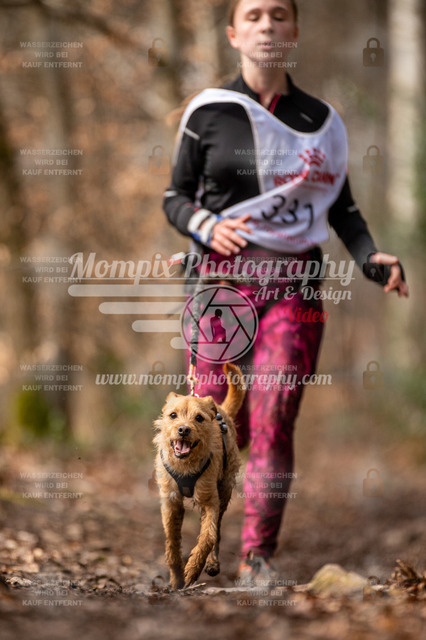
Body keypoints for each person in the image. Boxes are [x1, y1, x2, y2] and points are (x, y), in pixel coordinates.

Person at [163, 0, 409, 586]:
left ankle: (257, 558)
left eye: (278, 14)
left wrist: (369, 256)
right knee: (218, 424)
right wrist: (205, 225)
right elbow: (175, 197)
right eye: (253, 15)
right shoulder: (208, 111)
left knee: (273, 417)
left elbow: (342, 208)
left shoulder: (323, 122)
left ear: (294, 30)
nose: (266, 24)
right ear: (233, 33)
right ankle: (205, 536)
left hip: (294, 288)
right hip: (221, 287)